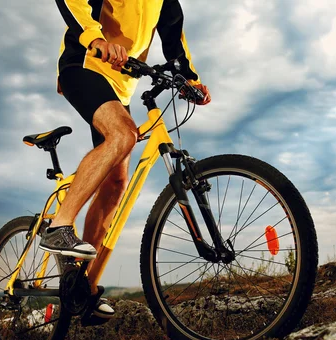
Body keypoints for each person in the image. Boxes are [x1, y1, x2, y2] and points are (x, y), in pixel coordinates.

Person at [40, 1, 210, 262]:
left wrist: (191, 80)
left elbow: (174, 38)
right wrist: (95, 38)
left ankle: (82, 286)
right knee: (123, 134)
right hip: (85, 63)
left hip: (121, 87)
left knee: (117, 183)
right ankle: (58, 226)